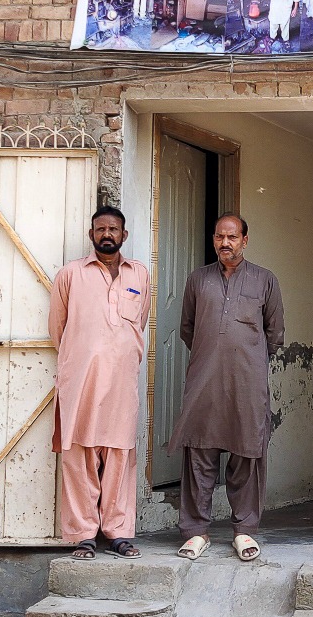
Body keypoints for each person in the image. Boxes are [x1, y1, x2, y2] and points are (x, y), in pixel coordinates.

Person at [167, 213, 283, 562]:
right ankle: (195, 531)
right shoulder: (198, 280)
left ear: (245, 240)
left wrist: (246, 360)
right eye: (219, 236)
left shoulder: (265, 280)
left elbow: (275, 334)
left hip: (247, 385)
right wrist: (213, 355)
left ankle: (245, 531)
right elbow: (188, 327)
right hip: (205, 381)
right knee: (199, 454)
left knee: (247, 455)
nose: (224, 243)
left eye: (232, 237)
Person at [49, 205, 151, 561]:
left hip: (122, 382)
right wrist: (81, 361)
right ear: (91, 235)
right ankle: (82, 535)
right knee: (79, 455)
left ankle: (119, 533)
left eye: (113, 229)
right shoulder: (70, 275)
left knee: (120, 454)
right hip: (80, 382)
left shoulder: (140, 275)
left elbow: (139, 325)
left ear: (124, 235)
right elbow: (57, 329)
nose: (107, 234)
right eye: (100, 229)